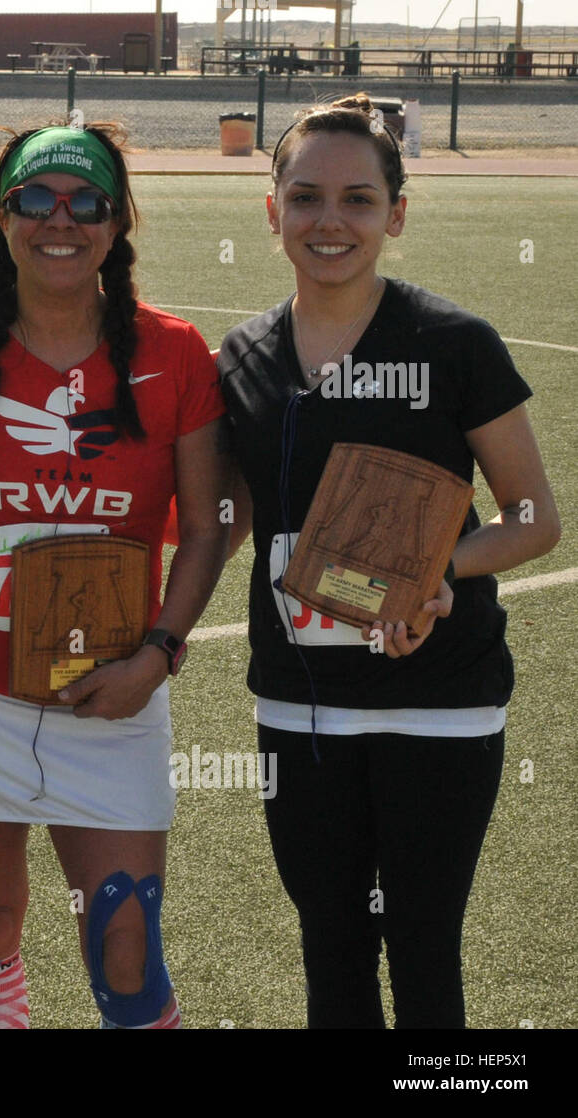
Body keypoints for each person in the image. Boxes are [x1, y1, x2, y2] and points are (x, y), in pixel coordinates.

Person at [218, 93, 561, 1028]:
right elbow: (224, 516)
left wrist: (438, 577)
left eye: (359, 199)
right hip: (301, 704)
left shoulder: (453, 344)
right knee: (330, 948)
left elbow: (533, 517)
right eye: (306, 196)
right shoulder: (243, 355)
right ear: (273, 208)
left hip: (438, 703)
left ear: (396, 214)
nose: (330, 221)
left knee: (421, 948)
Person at [0, 124, 232, 1028]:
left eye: (89, 203)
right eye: (35, 199)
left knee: (125, 940)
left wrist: (159, 655)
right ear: (0, 216)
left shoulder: (175, 352)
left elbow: (206, 526)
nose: (61, 221)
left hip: (114, 689)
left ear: (120, 222)